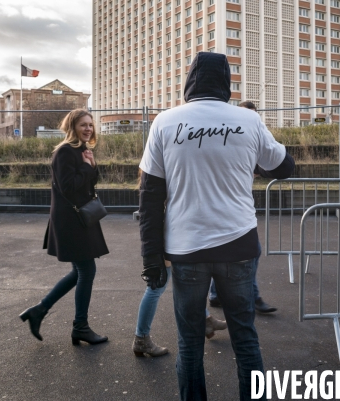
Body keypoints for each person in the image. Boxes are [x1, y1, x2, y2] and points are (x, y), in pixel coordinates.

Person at [138, 52, 294, 400]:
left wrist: (150, 256)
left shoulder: (165, 122)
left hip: (185, 249)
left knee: (190, 344)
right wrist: (249, 159)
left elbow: (149, 195)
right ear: (226, 82)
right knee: (245, 339)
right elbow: (285, 167)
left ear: (190, 80)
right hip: (238, 246)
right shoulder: (248, 120)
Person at [19, 109, 108, 346]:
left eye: (90, 125)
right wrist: (87, 168)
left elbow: (90, 180)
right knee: (86, 271)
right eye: (83, 125)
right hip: (71, 222)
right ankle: (80, 326)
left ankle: (40, 310)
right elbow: (69, 187)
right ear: (72, 127)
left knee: (79, 272)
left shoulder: (81, 150)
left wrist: (91, 164)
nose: (88, 128)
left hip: (79, 219)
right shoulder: (64, 152)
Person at [133, 173, 227, 357]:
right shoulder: (159, 172)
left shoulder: (159, 169)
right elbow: (153, 211)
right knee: (157, 287)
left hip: (170, 235)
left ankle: (206, 319)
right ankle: (141, 337)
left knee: (183, 281)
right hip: (165, 237)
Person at [208, 100, 277, 315]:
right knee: (250, 252)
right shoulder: (229, 134)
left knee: (219, 253)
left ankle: (215, 294)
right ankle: (252, 297)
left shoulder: (249, 135)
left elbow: (267, 166)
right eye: (249, 115)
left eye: (255, 115)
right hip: (228, 206)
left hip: (236, 203)